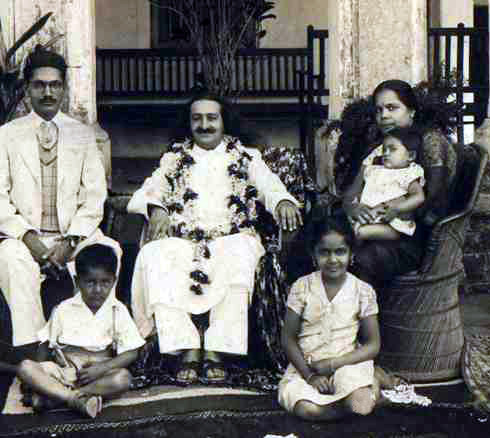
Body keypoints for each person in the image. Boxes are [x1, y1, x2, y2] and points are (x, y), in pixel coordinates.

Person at [128, 92, 302, 384]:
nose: (205, 125)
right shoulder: (174, 158)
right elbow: (145, 193)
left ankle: (218, 352)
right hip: (184, 239)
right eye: (197, 118)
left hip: (232, 236)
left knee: (240, 252)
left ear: (224, 121)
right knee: (154, 254)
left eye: (212, 118)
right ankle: (186, 348)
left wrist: (283, 201)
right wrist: (156, 208)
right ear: (189, 123)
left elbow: (270, 187)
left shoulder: (246, 156)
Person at [0, 45, 122, 363]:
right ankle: (36, 352)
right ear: (28, 89)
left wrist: (71, 240)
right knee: (11, 262)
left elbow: (94, 195)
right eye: (39, 84)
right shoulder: (7, 136)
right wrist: (29, 239)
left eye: (55, 84)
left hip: (74, 235)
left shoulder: (83, 135)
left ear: (64, 88)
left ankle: (93, 347)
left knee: (110, 251)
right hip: (25, 237)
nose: (48, 92)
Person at [341, 79, 457, 287]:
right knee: (326, 241)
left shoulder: (428, 141)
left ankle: (363, 316)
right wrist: (354, 207)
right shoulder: (381, 146)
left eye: (392, 108)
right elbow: (352, 190)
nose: (383, 116)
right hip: (370, 226)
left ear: (411, 111)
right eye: (379, 110)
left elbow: (431, 199)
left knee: (360, 256)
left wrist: (383, 210)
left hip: (409, 237)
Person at [17, 244, 144, 418]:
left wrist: (102, 368)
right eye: (90, 282)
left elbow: (131, 353)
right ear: (77, 281)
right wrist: (39, 371)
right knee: (25, 367)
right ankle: (73, 398)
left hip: (98, 375)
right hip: (65, 371)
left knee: (123, 379)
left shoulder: (117, 310)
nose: (98, 290)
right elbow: (45, 343)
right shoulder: (64, 309)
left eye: (105, 282)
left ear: (114, 281)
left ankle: (56, 397)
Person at [279, 216, 381, 420]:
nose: (333, 260)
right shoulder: (302, 287)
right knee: (307, 409)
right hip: (306, 368)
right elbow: (288, 338)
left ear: (351, 254)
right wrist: (310, 376)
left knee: (360, 404)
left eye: (340, 252)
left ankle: (366, 390)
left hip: (346, 365)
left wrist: (335, 364)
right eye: (324, 252)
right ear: (314, 255)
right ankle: (356, 401)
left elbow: (373, 345)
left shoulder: (362, 290)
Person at [350, 127, 425, 242]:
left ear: (410, 156)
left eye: (392, 149)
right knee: (347, 229)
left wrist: (397, 209)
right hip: (369, 216)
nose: (386, 153)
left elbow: (419, 197)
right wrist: (357, 203)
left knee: (358, 233)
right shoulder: (375, 170)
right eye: (384, 150)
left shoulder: (408, 174)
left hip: (393, 223)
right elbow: (365, 190)